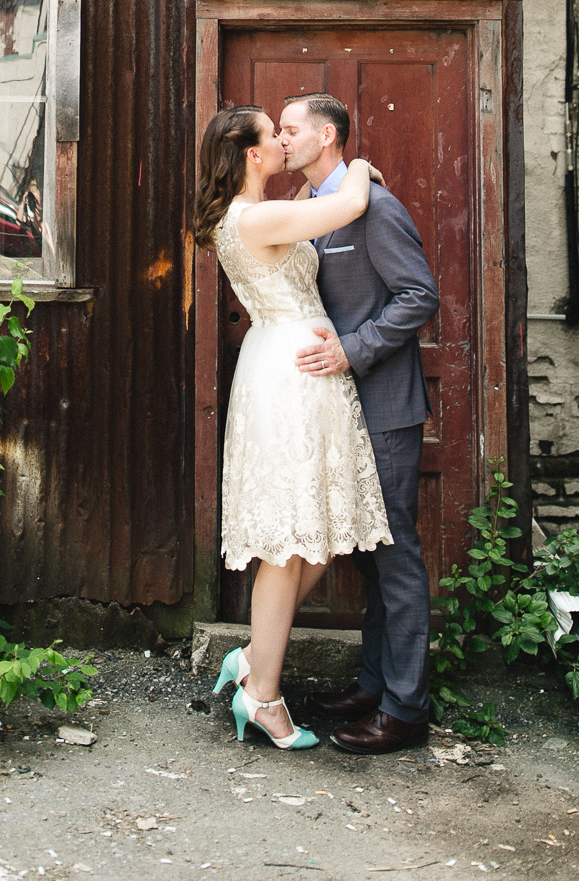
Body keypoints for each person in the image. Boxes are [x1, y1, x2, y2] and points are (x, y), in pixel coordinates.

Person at [194, 106, 391, 752]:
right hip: (290, 378)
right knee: (291, 538)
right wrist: (356, 163)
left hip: (291, 369)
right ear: (252, 154)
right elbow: (350, 201)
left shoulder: (253, 214)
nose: (282, 142)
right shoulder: (260, 218)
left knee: (321, 529)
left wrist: (313, 184)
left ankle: (254, 657)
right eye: (271, 136)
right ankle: (263, 696)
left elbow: (305, 210)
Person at [277, 92, 440, 756]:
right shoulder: (322, 209)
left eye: (291, 130)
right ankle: (375, 685)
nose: (282, 139)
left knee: (395, 556)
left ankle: (406, 708)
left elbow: (419, 295)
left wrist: (353, 348)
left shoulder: (376, 207)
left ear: (327, 134)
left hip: (387, 410)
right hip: (342, 411)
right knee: (370, 559)